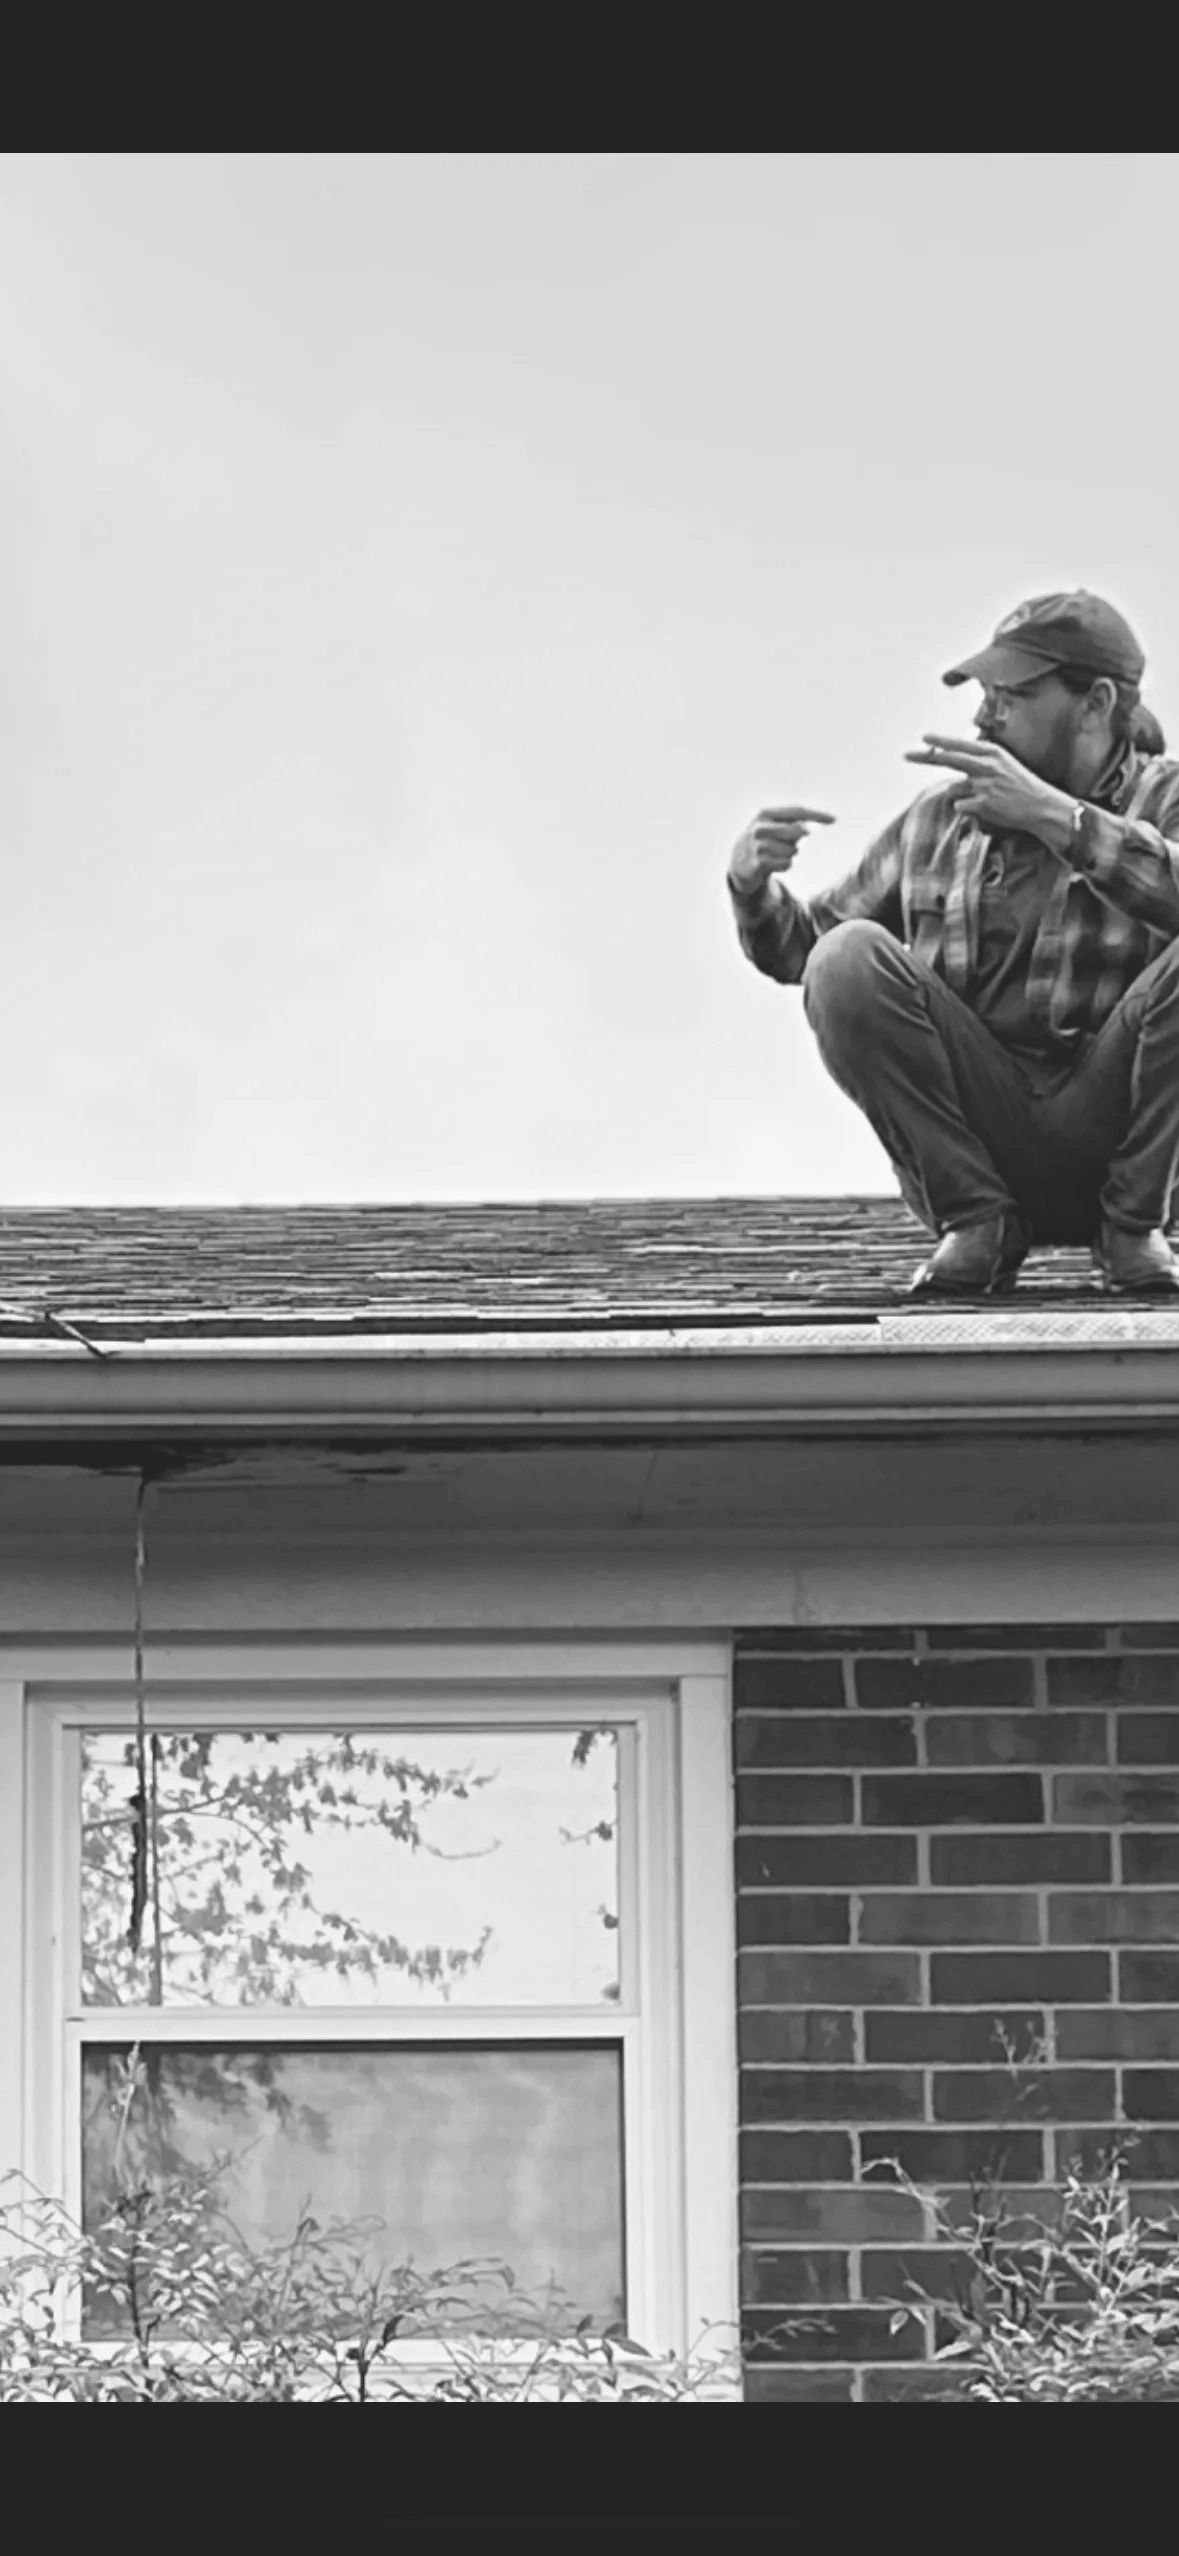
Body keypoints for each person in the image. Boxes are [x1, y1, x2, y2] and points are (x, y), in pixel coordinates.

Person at [727, 590, 1179, 1296]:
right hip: (982, 1140)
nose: (981, 716)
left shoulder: (1168, 798)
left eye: (1011, 694)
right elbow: (809, 955)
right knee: (847, 956)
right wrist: (751, 886)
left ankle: (1131, 1233)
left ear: (1093, 705)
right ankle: (975, 1224)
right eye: (984, 694)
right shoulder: (940, 817)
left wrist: (1057, 820)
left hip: (1118, 1136)